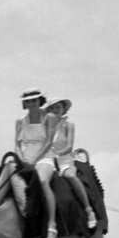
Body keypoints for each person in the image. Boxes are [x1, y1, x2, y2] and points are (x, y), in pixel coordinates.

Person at [0, 88, 59, 238]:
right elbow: (17, 144)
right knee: (4, 175)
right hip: (25, 159)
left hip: (44, 157)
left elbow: (48, 142)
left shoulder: (49, 118)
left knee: (41, 181)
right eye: (28, 101)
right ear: (24, 103)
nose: (31, 103)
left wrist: (34, 160)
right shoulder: (20, 121)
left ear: (39, 101)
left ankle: (52, 226)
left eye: (34, 100)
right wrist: (22, 159)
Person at [45, 98, 97, 230]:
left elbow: (69, 146)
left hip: (64, 160)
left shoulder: (68, 125)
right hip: (48, 161)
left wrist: (57, 153)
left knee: (71, 176)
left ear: (63, 109)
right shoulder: (45, 126)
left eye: (58, 107)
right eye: (53, 108)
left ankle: (88, 210)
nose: (56, 110)